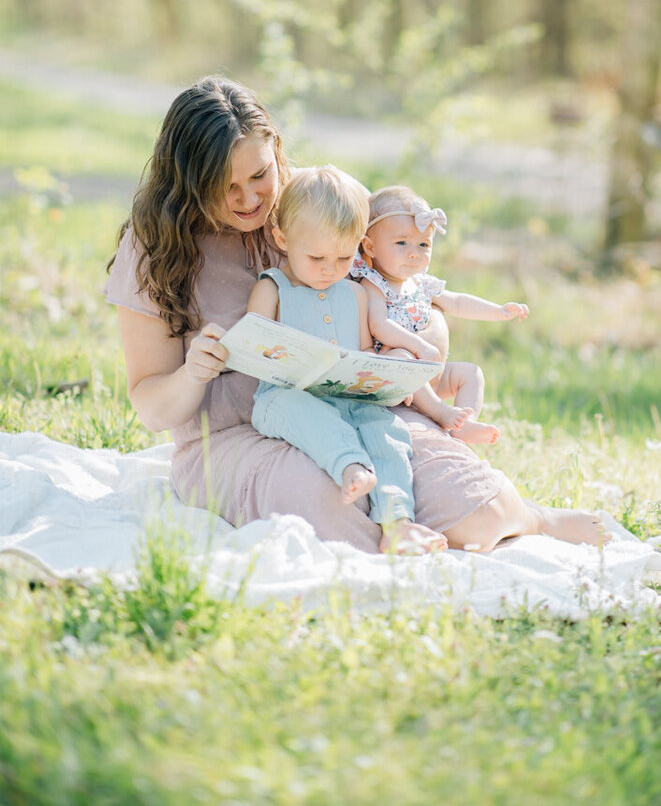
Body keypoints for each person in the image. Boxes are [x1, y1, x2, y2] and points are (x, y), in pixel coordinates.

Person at [106, 75, 609, 553]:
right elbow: (151, 408)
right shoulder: (155, 245)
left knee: (481, 515)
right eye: (225, 186)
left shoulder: (317, 201)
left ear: (276, 150)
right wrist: (194, 373)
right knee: (332, 509)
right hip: (236, 439)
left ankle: (530, 518)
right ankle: (399, 533)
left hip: (360, 409)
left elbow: (405, 287)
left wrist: (408, 342)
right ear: (190, 181)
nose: (250, 199)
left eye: (260, 174)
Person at [247, 165, 446, 554]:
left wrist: (385, 381)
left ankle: (398, 521)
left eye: (342, 258)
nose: (329, 269)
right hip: (281, 396)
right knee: (305, 411)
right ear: (282, 238)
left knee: (386, 431)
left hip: (344, 396)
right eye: (317, 257)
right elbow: (253, 346)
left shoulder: (354, 294)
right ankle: (350, 464)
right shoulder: (272, 288)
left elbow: (358, 358)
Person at [352, 184, 528, 447]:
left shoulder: (421, 282)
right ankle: (441, 412)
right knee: (399, 356)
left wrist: (498, 311)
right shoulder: (374, 284)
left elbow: (457, 302)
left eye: (424, 244)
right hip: (397, 376)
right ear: (370, 247)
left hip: (432, 374)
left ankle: (464, 425)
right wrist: (418, 346)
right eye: (401, 243)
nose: (414, 252)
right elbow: (379, 325)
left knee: (471, 373)